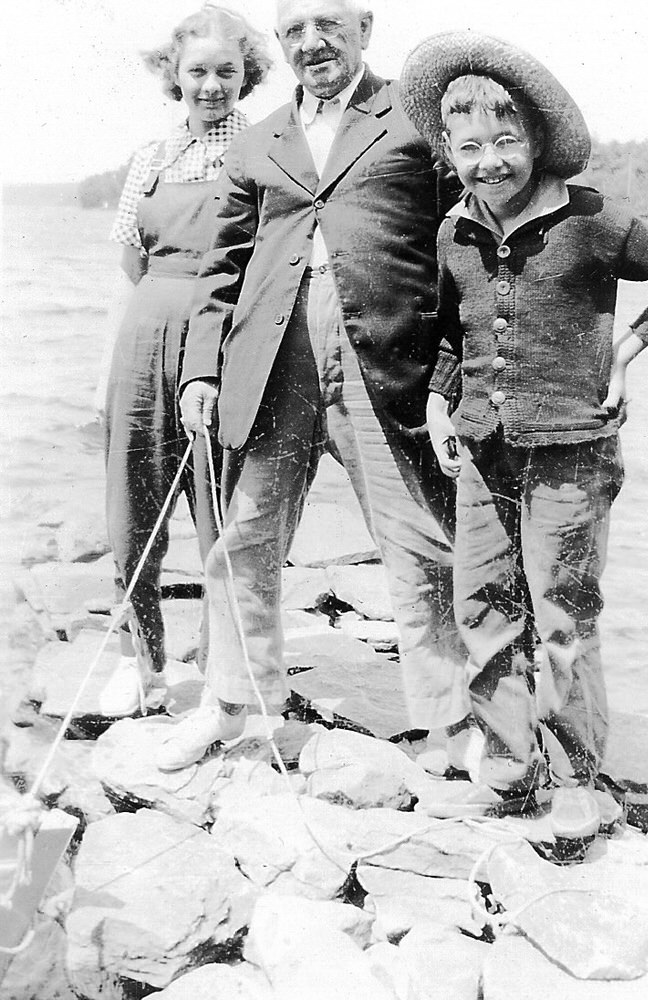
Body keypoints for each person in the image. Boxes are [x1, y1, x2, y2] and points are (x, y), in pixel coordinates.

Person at [155, 0, 468, 771]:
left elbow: (465, 247)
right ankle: (231, 707)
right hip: (272, 364)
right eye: (294, 30)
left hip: (387, 365)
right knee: (245, 539)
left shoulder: (419, 116)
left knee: (419, 543)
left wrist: (452, 376)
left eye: (328, 23)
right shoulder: (260, 142)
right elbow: (219, 269)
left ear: (365, 27)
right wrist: (200, 368)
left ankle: (452, 730)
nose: (312, 42)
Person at [400, 31, 648, 838]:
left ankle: (581, 776)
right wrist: (442, 403)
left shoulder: (594, 222)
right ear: (450, 151)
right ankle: (509, 766)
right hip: (481, 450)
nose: (491, 162)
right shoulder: (453, 230)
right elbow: (454, 335)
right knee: (482, 607)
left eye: (507, 141)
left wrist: (626, 354)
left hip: (572, 454)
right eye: (470, 147)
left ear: (538, 141)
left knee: (562, 617)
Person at [98, 5, 272, 717]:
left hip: (225, 338)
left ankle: (224, 667)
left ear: (246, 76)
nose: (210, 86)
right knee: (131, 504)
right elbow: (128, 262)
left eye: (225, 72)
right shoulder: (152, 156)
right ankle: (138, 663)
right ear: (175, 75)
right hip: (145, 332)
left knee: (218, 505)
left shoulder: (263, 151)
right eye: (196, 71)